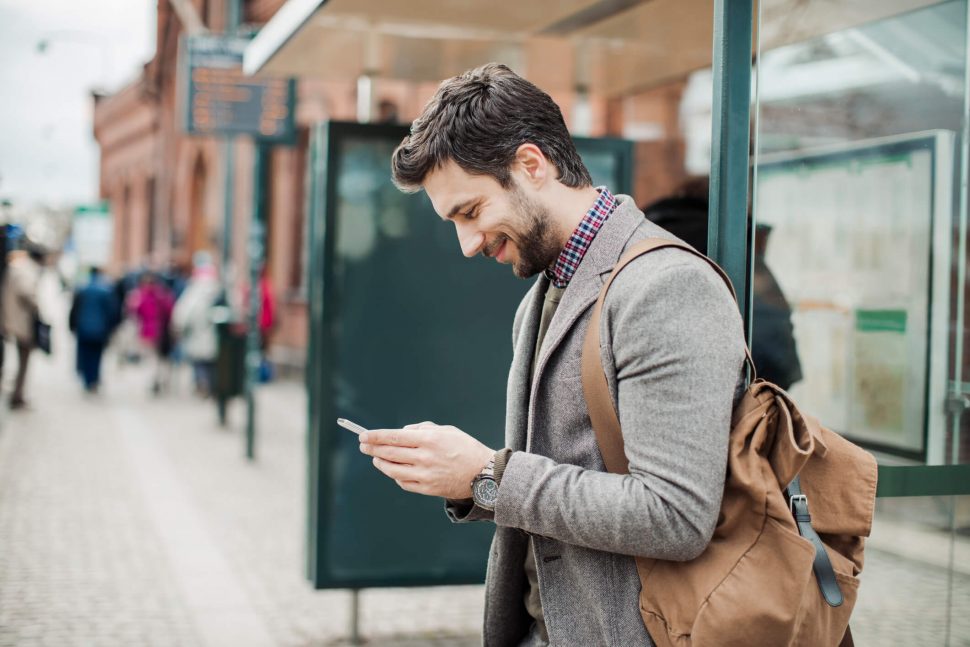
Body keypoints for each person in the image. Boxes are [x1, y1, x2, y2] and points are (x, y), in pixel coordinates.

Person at [357, 63, 748, 646]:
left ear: (531, 165)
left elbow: (675, 516)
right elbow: (556, 486)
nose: (466, 244)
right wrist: (466, 482)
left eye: (470, 211)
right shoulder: (540, 297)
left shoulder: (666, 287)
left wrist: (487, 473)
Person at [1, 244, 45, 409]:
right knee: (23, 360)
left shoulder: (18, 267)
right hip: (21, 321)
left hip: (12, 319)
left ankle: (16, 393)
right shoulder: (27, 270)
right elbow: (26, 292)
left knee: (19, 359)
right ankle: (17, 395)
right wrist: (37, 305)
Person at [171, 255, 220, 396]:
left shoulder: (194, 291)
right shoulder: (218, 289)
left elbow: (183, 313)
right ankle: (211, 385)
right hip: (214, 336)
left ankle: (201, 383)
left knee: (199, 362)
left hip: (196, 335)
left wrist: (178, 327)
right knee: (211, 362)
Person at [69, 267, 118, 392]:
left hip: (83, 327)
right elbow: (112, 312)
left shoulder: (83, 289)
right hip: (100, 329)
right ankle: (94, 379)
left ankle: (88, 380)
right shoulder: (106, 290)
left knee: (85, 355)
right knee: (97, 355)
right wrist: (111, 328)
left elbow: (75, 309)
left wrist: (72, 326)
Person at [128, 271, 174, 394]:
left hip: (147, 332)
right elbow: (170, 312)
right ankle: (157, 379)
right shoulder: (163, 295)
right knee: (158, 358)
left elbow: (134, 313)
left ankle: (153, 381)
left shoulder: (139, 296)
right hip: (160, 331)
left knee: (151, 358)